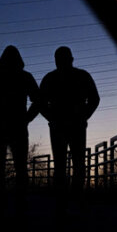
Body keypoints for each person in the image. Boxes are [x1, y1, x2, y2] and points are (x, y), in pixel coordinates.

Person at [0, 45, 40, 211]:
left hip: (1, 127)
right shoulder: (24, 76)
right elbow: (38, 101)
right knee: (19, 166)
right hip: (16, 128)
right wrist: (26, 119)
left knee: (0, 166)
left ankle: (1, 202)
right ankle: (19, 201)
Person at [40, 46, 100, 198]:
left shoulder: (50, 78)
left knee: (63, 164)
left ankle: (64, 200)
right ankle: (74, 198)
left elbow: (40, 103)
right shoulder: (82, 76)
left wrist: (52, 118)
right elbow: (94, 99)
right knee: (76, 163)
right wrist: (83, 116)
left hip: (63, 126)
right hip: (74, 126)